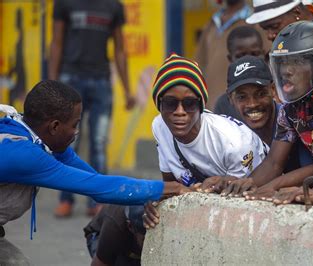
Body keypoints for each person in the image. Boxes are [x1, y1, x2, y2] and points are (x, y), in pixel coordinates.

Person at [0, 80, 189, 265]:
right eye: (74, 125)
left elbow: (96, 181)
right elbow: (99, 188)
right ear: (54, 126)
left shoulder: (37, 138)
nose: (76, 132)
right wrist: (171, 188)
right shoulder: (24, 154)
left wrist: (149, 194)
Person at [202, 21, 313, 204]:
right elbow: (273, 163)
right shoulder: (293, 105)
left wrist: (304, 196)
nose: (286, 71)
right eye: (283, 63)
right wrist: (245, 186)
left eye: (296, 62)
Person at [48, 0, 136, 217]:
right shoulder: (64, 4)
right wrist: (52, 85)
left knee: (99, 142)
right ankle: (65, 199)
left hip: (101, 82)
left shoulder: (113, 6)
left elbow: (119, 50)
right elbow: (56, 43)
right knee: (68, 142)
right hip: (70, 79)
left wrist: (127, 89)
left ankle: (97, 200)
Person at [150, 54, 268, 191]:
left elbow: (240, 196)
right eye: (170, 103)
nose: (180, 111)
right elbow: (171, 187)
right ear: (159, 105)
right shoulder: (159, 126)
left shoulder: (234, 143)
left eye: (189, 103)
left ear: (201, 106)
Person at [194, 0, 268, 109]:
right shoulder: (212, 24)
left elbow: (268, 60)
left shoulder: (254, 21)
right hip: (211, 107)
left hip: (242, 105)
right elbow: (198, 65)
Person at [214, 25, 266, 119]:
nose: (248, 60)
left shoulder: (279, 95)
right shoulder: (223, 104)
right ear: (230, 59)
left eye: (254, 54)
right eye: (241, 56)